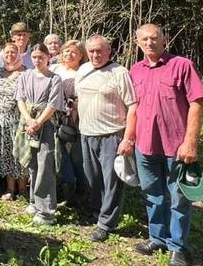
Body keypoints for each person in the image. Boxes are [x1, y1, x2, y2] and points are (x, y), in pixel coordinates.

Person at [123, 24, 203, 266]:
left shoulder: (182, 65)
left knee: (179, 198)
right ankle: (157, 237)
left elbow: (197, 104)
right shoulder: (135, 70)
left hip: (176, 147)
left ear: (164, 39)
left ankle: (178, 247)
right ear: (137, 43)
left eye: (154, 38)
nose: (149, 43)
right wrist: (129, 139)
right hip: (145, 146)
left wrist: (191, 142)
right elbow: (133, 108)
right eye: (144, 39)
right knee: (153, 194)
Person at [75, 35, 137, 243]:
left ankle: (106, 223)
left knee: (111, 180)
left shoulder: (119, 73)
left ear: (109, 50)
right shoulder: (83, 70)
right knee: (92, 177)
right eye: (91, 51)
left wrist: (127, 137)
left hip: (112, 134)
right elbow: (79, 99)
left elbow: (132, 106)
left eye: (99, 51)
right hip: (86, 133)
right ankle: (96, 210)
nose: (95, 55)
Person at [15, 44, 66, 225]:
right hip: (28, 123)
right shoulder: (25, 75)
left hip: (46, 126)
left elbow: (52, 105)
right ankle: (34, 202)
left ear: (47, 58)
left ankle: (46, 211)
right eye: (34, 57)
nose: (37, 60)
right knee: (32, 163)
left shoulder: (55, 79)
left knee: (45, 165)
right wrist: (29, 120)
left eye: (41, 57)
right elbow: (20, 99)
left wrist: (38, 122)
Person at [0, 42, 28, 200]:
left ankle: (23, 189)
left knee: (19, 153)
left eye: (13, 52)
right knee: (5, 152)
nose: (10, 56)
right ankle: (10, 189)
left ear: (18, 54)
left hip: (18, 120)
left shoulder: (26, 72)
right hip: (0, 121)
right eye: (7, 53)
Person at [51, 40, 86, 203]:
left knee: (74, 153)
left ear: (80, 56)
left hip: (74, 117)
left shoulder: (83, 72)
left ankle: (76, 190)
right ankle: (60, 187)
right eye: (66, 51)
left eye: (74, 52)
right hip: (53, 115)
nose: (69, 55)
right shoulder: (54, 69)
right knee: (57, 152)